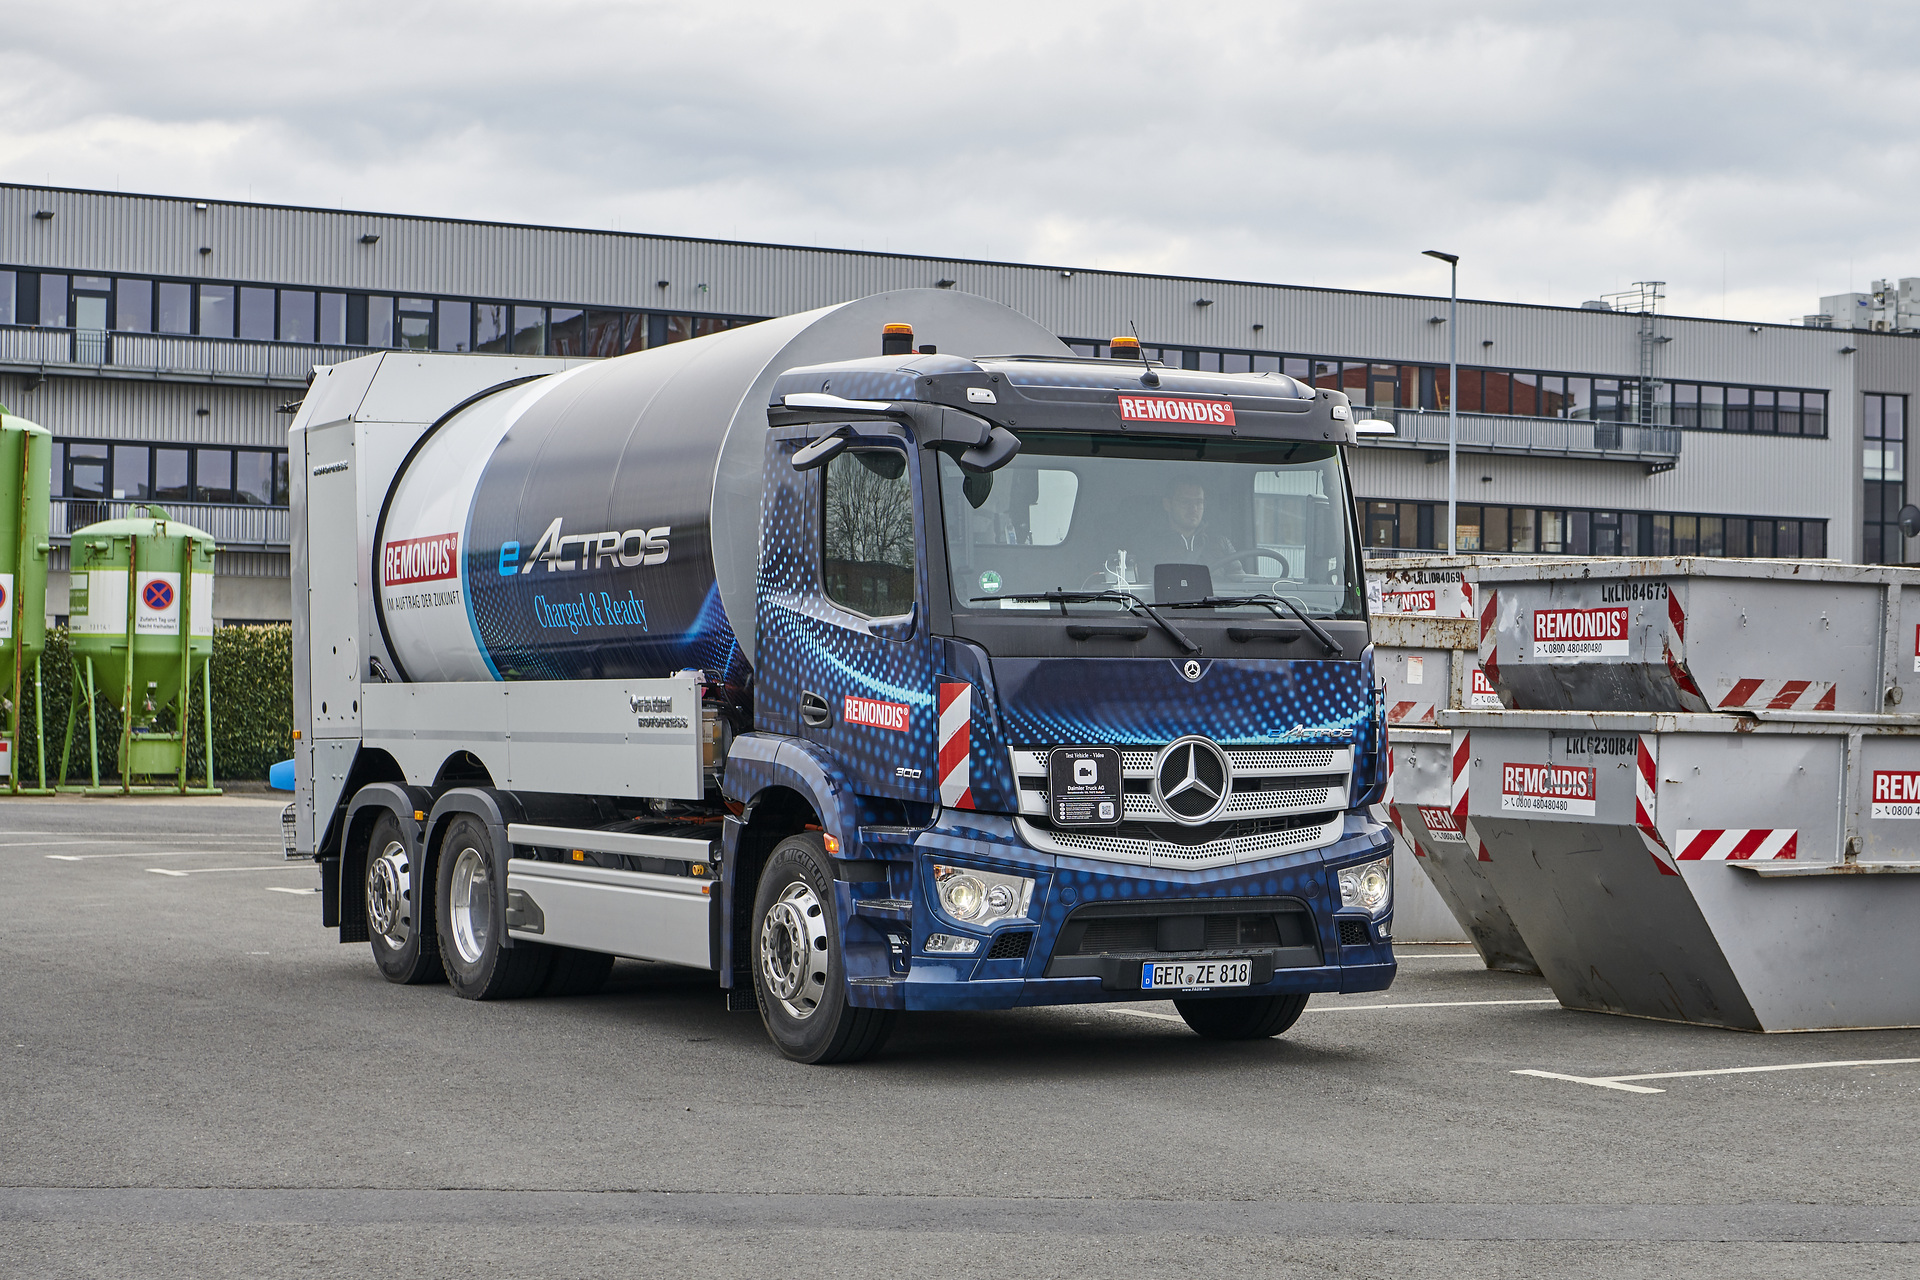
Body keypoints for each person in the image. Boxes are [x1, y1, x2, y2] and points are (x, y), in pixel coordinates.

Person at [1133, 478, 1236, 570]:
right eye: (1185, 502)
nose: (1194, 509)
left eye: (1199, 502)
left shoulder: (1221, 544)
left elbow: (1242, 584)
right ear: (1167, 504)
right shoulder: (1146, 545)